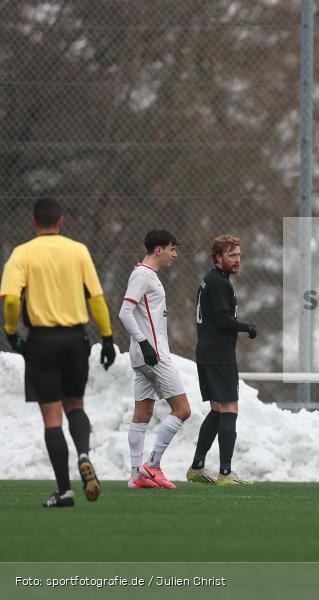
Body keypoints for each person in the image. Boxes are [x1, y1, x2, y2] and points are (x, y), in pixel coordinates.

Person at [0, 197, 116, 507]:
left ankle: (65, 491)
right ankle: (84, 455)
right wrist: (106, 337)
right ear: (61, 222)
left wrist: (12, 332)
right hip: (76, 339)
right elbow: (96, 298)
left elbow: (11, 300)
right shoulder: (78, 251)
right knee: (75, 405)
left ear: (34, 222)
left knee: (52, 418)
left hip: (42, 341)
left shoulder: (22, 253)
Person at [118, 230, 191, 490]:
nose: (175, 254)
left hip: (143, 356)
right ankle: (153, 465)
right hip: (153, 355)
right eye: (172, 249)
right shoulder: (142, 275)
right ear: (158, 250)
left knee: (143, 413)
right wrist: (144, 342)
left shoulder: (149, 276)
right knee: (183, 410)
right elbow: (125, 312)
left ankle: (137, 474)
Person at [186, 235, 256, 485]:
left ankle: (196, 468)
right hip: (218, 354)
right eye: (231, 255)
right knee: (229, 409)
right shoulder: (218, 283)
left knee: (217, 411)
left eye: (238, 254)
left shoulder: (213, 280)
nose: (237, 260)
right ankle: (225, 473)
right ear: (218, 258)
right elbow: (224, 320)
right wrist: (247, 327)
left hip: (207, 352)